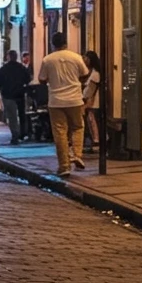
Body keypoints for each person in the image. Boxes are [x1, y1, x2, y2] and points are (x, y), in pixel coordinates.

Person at [39, 32, 90, 176]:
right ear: (65, 43)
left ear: (52, 44)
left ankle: (64, 165)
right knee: (77, 127)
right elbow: (85, 73)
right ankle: (77, 154)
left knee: (60, 132)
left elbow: (42, 79)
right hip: (75, 99)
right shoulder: (76, 57)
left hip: (56, 101)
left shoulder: (47, 60)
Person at [0, 50, 30, 145]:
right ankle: (23, 133)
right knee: (22, 114)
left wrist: (3, 88)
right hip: (20, 94)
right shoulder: (21, 68)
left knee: (12, 116)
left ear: (8, 57)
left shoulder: (4, 68)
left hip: (8, 95)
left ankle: (15, 135)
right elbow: (28, 79)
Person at [82, 50, 102, 152]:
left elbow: (91, 90)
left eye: (86, 58)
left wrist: (86, 102)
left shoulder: (95, 74)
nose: (84, 60)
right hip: (91, 101)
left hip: (93, 102)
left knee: (92, 121)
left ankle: (96, 141)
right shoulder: (92, 72)